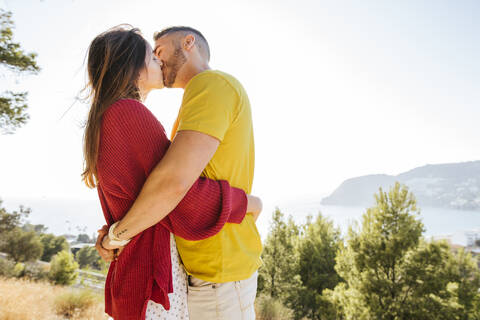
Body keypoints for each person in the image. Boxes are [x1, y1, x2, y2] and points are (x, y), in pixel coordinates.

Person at [83, 25, 262, 320]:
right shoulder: (128, 114)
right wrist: (247, 203)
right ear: (132, 66)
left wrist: (113, 235)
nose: (158, 60)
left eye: (159, 52)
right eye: (152, 57)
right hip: (162, 277)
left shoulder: (111, 116)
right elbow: (176, 191)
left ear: (189, 43)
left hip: (162, 274)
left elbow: (143, 194)